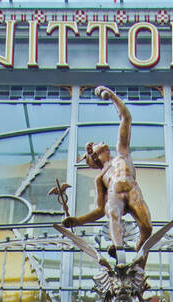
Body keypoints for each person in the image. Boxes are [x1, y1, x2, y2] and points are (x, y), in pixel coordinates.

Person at [62, 86, 154, 259]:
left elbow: (125, 118)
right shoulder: (100, 177)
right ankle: (119, 250)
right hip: (114, 194)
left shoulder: (122, 153)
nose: (100, 142)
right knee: (112, 213)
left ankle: (138, 256)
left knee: (147, 228)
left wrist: (112, 96)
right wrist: (78, 220)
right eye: (95, 145)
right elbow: (100, 210)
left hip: (133, 190)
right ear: (94, 156)